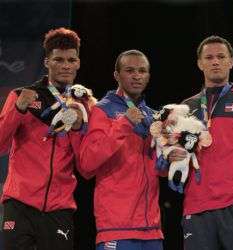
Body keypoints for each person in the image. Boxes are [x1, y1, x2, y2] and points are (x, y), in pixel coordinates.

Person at [168, 35, 233, 250]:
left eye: (221, 57)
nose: (215, 61)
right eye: (209, 57)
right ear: (199, 63)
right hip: (196, 209)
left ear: (231, 62)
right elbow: (177, 157)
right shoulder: (186, 108)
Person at [0, 27, 87, 250]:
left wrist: (79, 127)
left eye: (71, 60)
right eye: (58, 59)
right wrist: (18, 109)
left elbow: (86, 164)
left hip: (59, 209)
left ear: (78, 63)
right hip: (20, 204)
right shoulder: (21, 96)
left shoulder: (84, 105)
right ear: (47, 62)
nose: (65, 65)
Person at [79, 50, 164, 250]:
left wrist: (171, 157)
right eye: (130, 70)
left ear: (148, 76)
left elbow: (159, 170)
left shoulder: (153, 116)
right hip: (116, 228)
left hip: (152, 229)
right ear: (116, 75)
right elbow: (87, 163)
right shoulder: (102, 110)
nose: (137, 76)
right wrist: (124, 123)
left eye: (142, 71)